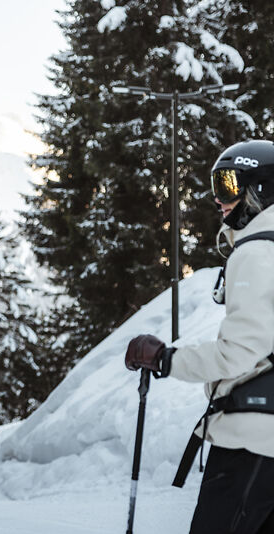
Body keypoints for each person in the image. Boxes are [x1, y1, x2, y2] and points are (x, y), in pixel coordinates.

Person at [125, 140, 274, 534]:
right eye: (216, 185)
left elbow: (239, 353)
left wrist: (165, 359)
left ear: (261, 189)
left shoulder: (257, 252)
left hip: (253, 440)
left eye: (228, 185)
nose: (219, 199)